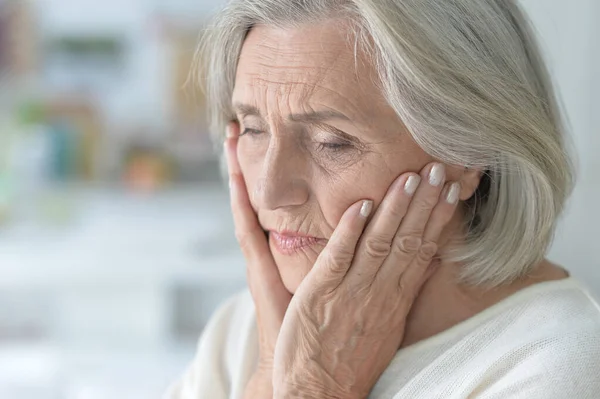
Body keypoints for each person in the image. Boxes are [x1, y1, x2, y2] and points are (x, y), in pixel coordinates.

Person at [166, 0, 600, 397]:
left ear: (467, 154)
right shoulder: (247, 327)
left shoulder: (561, 364)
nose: (269, 191)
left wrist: (316, 385)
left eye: (331, 142)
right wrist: (268, 374)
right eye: (253, 129)